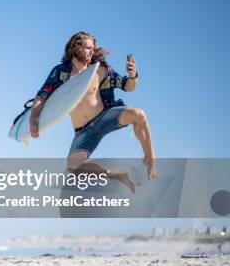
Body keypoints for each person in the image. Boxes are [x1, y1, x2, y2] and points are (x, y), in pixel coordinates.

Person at [29, 31, 158, 191]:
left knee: (139, 114)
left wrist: (133, 75)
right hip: (83, 131)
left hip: (105, 117)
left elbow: (127, 86)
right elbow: (43, 94)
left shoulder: (101, 69)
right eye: (88, 47)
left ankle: (150, 157)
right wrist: (33, 119)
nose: (92, 51)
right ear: (75, 47)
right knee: (73, 167)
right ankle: (118, 174)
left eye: (93, 48)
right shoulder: (61, 72)